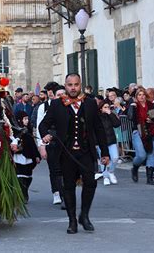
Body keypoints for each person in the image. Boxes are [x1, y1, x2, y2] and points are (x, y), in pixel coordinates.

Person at [39, 73, 109, 234]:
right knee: (68, 186)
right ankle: (72, 221)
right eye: (70, 85)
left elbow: (99, 128)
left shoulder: (90, 103)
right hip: (66, 152)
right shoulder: (57, 105)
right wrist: (46, 134)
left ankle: (84, 215)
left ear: (80, 85)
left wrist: (105, 152)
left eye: (76, 84)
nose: (73, 88)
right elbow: (44, 124)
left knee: (90, 182)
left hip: (86, 151)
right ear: (65, 85)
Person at [36, 81, 64, 207]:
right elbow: (39, 126)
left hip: (65, 143)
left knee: (65, 169)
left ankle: (65, 193)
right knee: (54, 169)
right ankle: (56, 192)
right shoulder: (44, 107)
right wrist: (41, 144)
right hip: (50, 142)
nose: (51, 93)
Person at [128, 87, 154, 185]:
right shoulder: (134, 106)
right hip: (139, 132)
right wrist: (131, 106)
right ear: (136, 97)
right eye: (139, 95)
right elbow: (130, 117)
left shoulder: (152, 105)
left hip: (153, 132)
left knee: (151, 154)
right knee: (141, 155)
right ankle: (135, 168)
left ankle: (150, 178)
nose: (142, 97)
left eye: (143, 95)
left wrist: (153, 121)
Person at [12, 111, 40, 203]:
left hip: (28, 157)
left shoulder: (28, 130)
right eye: (25, 119)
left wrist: (36, 155)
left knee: (28, 176)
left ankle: (25, 191)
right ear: (20, 120)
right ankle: (22, 194)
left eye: (27, 119)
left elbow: (32, 144)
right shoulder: (15, 131)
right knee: (20, 176)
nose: (27, 121)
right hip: (18, 157)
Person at [98, 100, 121, 185]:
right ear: (101, 109)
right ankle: (106, 177)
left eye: (108, 107)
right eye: (105, 107)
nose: (107, 109)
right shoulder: (97, 117)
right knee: (104, 160)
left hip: (111, 140)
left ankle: (111, 172)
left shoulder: (110, 115)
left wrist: (110, 114)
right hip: (101, 141)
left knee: (115, 158)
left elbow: (117, 124)